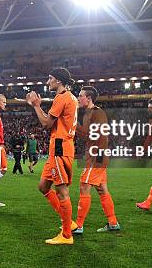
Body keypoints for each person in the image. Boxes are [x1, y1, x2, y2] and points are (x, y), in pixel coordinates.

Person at [27, 67, 78, 245]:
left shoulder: (62, 97)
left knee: (62, 191)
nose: (47, 82)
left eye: (50, 79)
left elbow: (47, 123)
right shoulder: (69, 96)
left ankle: (66, 235)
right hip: (59, 146)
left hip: (60, 147)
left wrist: (36, 106)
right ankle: (68, 222)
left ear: (59, 80)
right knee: (43, 186)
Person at [73, 86, 120, 234]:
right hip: (97, 155)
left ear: (89, 98)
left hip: (96, 157)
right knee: (102, 189)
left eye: (80, 96)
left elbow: (93, 136)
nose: (78, 98)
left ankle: (78, 226)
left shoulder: (97, 113)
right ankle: (113, 223)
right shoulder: (89, 113)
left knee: (84, 185)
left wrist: (74, 124)